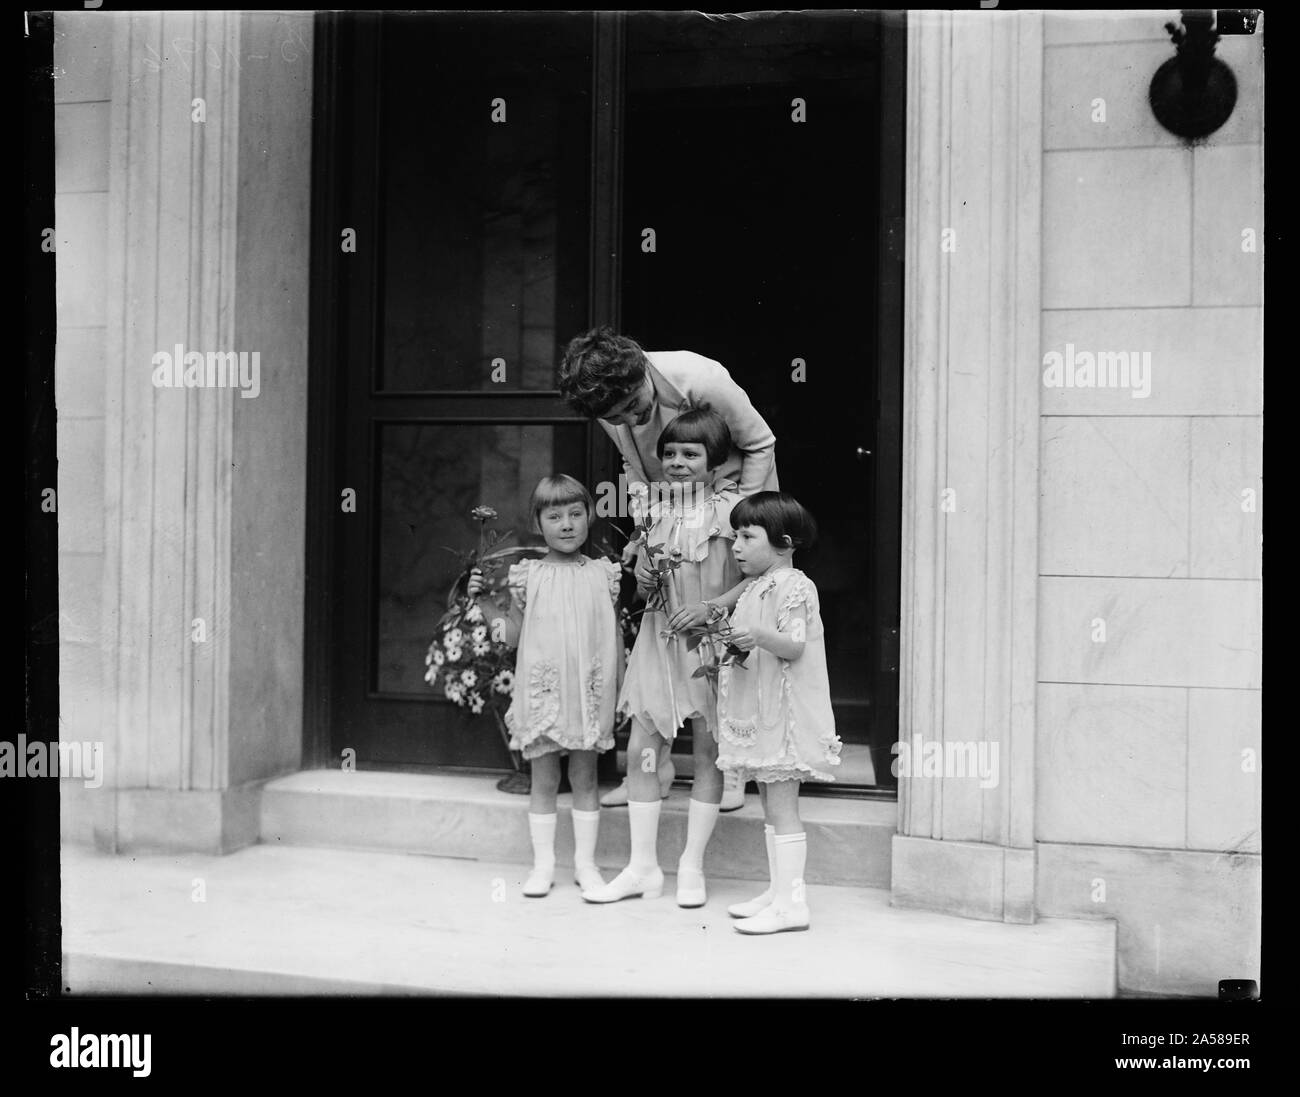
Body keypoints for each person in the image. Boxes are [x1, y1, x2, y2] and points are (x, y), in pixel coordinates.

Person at [559, 326, 778, 810]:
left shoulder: (700, 376)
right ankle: (653, 771)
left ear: (640, 371)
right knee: (667, 634)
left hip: (730, 512)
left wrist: (738, 519)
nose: (628, 419)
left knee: (728, 632)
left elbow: (761, 442)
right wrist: (643, 534)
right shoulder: (612, 407)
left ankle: (733, 768)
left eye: (632, 406)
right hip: (672, 517)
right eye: (615, 417)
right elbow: (637, 476)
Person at [582, 409, 743, 908]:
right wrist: (646, 579)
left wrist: (710, 609)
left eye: (690, 455)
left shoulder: (732, 512)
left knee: (707, 750)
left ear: (715, 464)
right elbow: (646, 579)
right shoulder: (653, 510)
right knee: (642, 751)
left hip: (711, 643)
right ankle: (642, 866)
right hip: (660, 639)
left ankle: (691, 866)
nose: (677, 463)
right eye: (670, 454)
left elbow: (759, 580)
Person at [468, 475, 622, 898]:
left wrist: (619, 687)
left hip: (587, 691)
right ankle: (544, 864)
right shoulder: (527, 576)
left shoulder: (604, 574)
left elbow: (614, 639)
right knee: (544, 778)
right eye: (555, 516)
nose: (567, 524)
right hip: (544, 690)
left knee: (586, 775)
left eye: (576, 514)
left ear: (590, 516)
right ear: (538, 523)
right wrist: (483, 603)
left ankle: (586, 865)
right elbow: (510, 637)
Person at [715, 492, 843, 934]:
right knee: (770, 802)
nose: (736, 546)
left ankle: (793, 906)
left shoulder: (796, 585)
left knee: (783, 804)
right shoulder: (755, 587)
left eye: (747, 536)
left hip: (786, 715)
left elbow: (793, 644)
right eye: (736, 536)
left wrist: (757, 634)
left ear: (784, 542)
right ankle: (778, 891)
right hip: (765, 708)